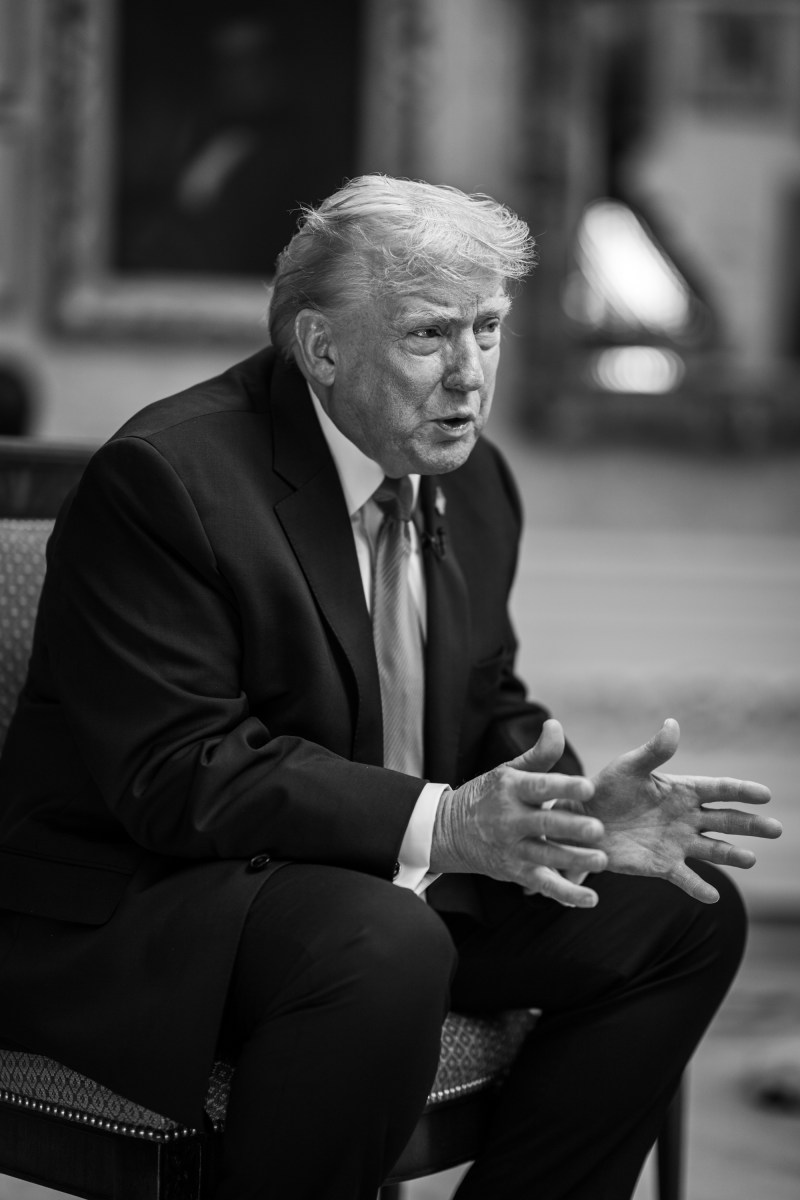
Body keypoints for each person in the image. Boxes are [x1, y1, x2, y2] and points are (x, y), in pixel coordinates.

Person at [0, 175, 781, 1200]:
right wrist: (443, 823)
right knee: (384, 947)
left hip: (375, 878)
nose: (470, 376)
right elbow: (180, 773)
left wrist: (574, 816)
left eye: (489, 328)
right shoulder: (165, 481)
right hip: (152, 901)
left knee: (681, 915)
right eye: (429, 336)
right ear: (322, 349)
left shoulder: (474, 477)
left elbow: (485, 698)